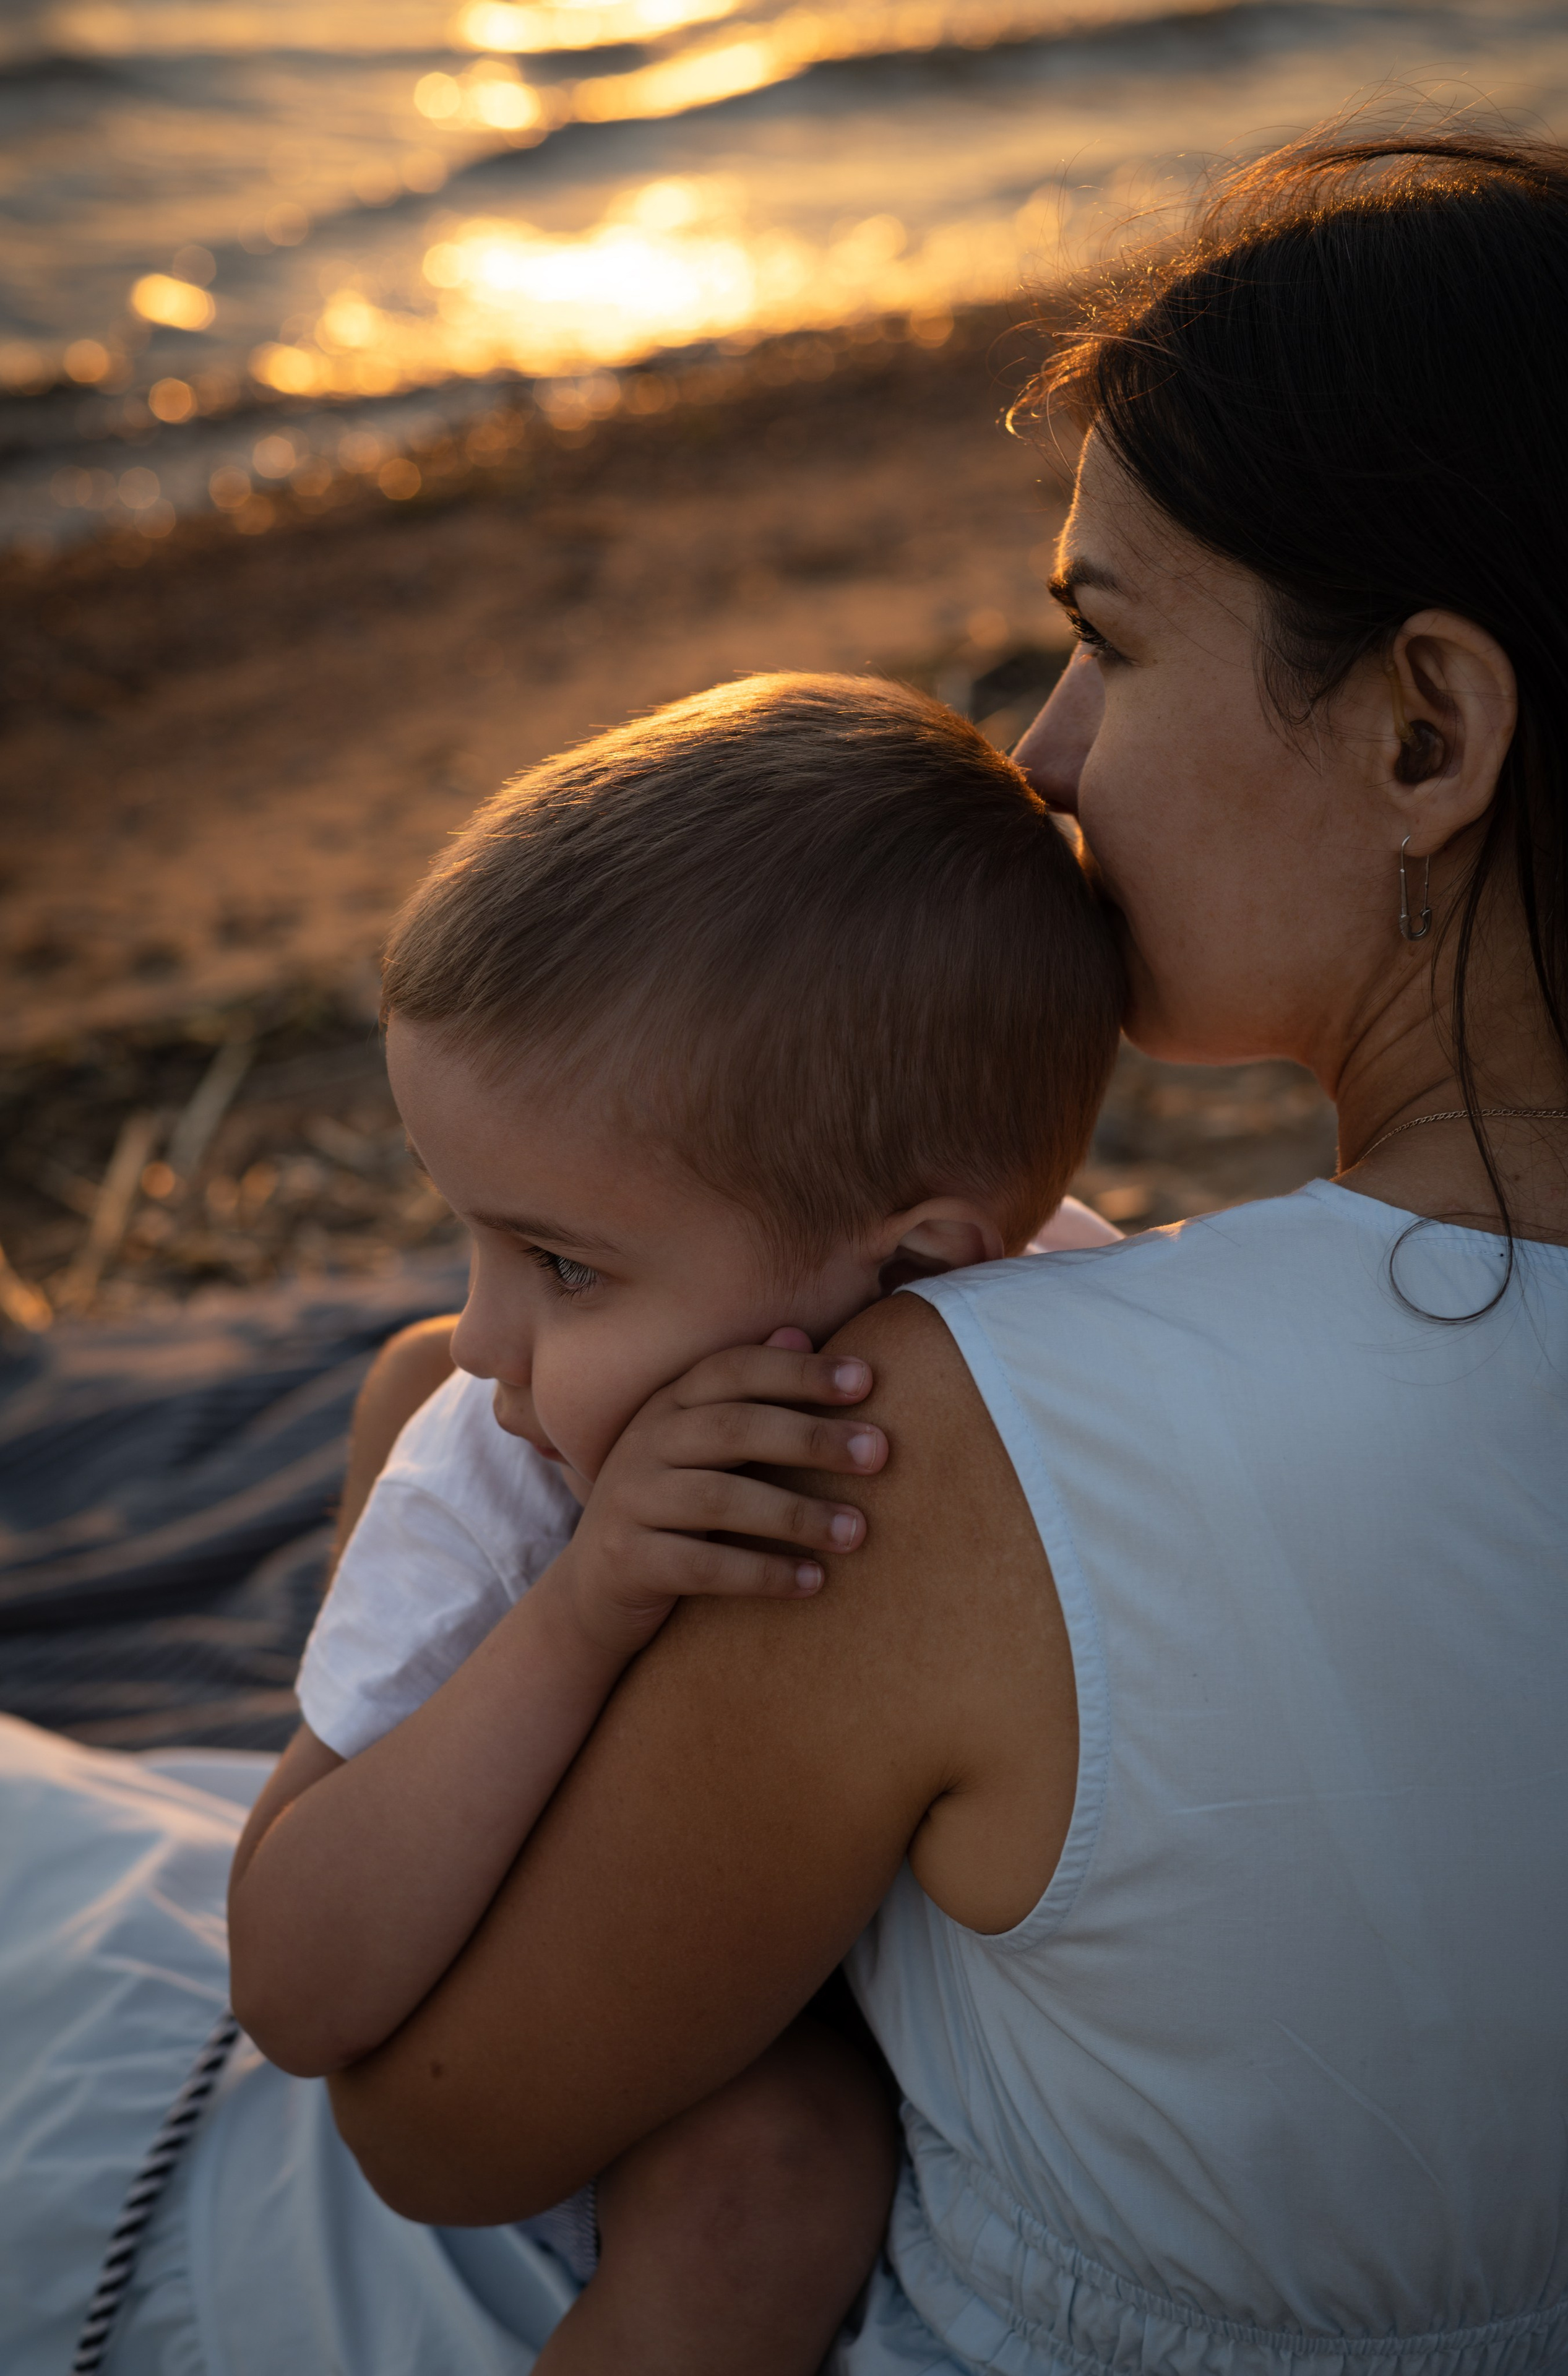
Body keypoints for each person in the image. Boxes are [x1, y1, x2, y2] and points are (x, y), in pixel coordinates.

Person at [2, 125, 1568, 2376]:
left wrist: (414, 1503)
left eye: (1107, 646)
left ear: (1428, 728)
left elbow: (439, 2126)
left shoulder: (944, 1446)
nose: (1042, 757)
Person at [224, 672, 1122, 2372]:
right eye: (479, 1241)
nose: (491, 1341)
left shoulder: (1081, 1328)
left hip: (928, 1992)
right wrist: (579, 1612)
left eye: (562, 1266)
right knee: (771, 2187)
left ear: (936, 1261)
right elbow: (292, 1981)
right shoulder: (506, 1472)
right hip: (595, 2017)